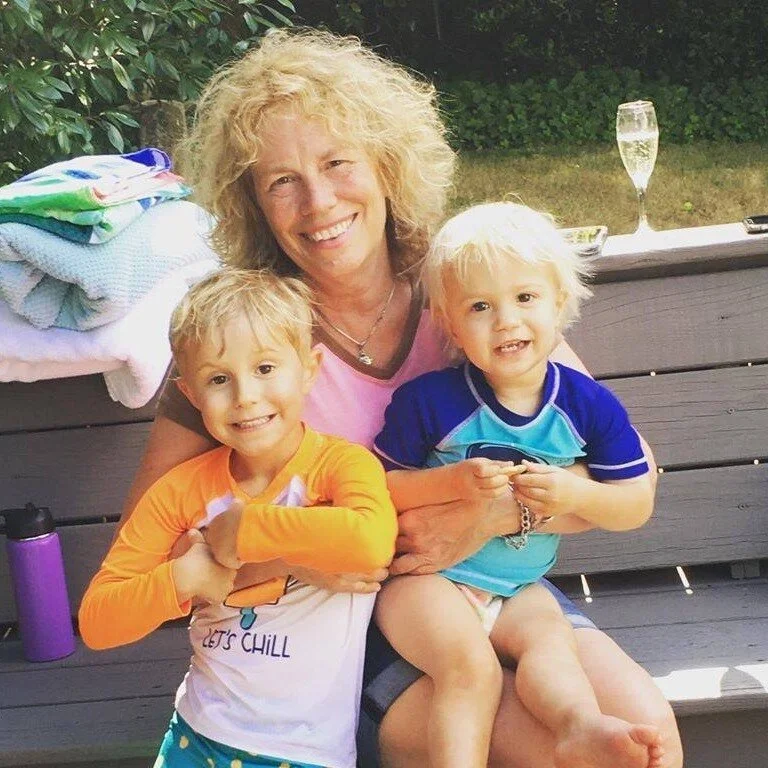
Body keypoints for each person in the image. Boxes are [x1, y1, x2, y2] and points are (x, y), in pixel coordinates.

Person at [118, 27, 683, 768]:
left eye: (336, 163)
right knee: (548, 753)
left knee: (650, 733)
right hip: (339, 631)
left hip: (497, 582)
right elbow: (148, 559)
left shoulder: (463, 296)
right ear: (253, 203)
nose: (318, 202)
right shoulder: (244, 339)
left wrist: (492, 512)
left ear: (385, 165)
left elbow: (627, 472)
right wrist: (304, 559)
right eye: (281, 180)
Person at [372, 201, 663, 768]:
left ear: (561, 303)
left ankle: (578, 728)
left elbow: (634, 503)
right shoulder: (430, 402)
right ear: (451, 327)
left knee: (551, 644)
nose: (506, 320)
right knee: (469, 670)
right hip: (430, 580)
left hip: (517, 587)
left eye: (525, 298)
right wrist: (451, 481)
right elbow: (381, 489)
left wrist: (579, 494)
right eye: (480, 306)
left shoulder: (587, 407)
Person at [79, 267, 398, 768]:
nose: (245, 395)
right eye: (219, 379)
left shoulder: (342, 465)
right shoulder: (180, 490)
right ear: (190, 395)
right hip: (198, 736)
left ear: (309, 369)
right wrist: (182, 577)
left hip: (308, 752)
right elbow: (98, 622)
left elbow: (370, 543)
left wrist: (246, 531)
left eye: (266, 368)